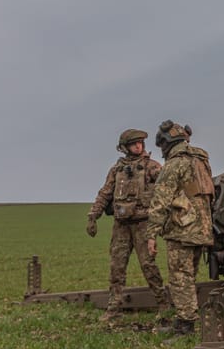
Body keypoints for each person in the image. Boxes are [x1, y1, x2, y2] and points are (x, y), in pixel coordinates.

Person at [87, 129, 170, 322]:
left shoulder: (151, 167)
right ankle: (113, 308)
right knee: (117, 267)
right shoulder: (117, 170)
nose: (138, 146)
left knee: (148, 266)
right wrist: (93, 215)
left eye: (140, 143)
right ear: (125, 147)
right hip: (121, 226)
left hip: (143, 224)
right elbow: (105, 193)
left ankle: (163, 304)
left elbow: (167, 188)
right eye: (134, 144)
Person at [146, 120, 214, 335]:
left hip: (182, 229)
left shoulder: (175, 164)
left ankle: (185, 327)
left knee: (180, 278)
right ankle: (186, 319)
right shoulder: (201, 160)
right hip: (202, 227)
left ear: (166, 143)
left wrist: (151, 234)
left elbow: (160, 200)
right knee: (189, 275)